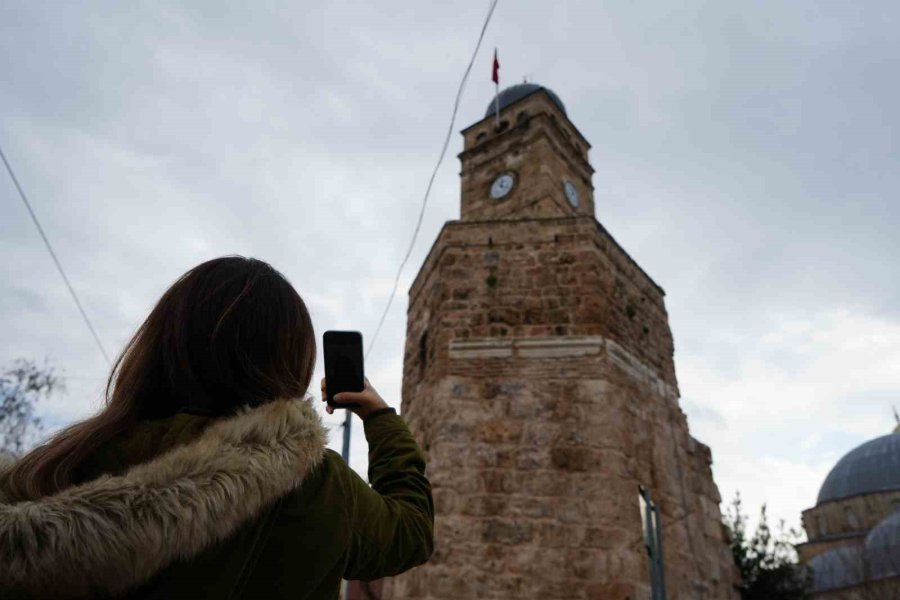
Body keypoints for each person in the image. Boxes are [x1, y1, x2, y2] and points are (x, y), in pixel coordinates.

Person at [0, 256, 434, 599]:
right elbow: (412, 532)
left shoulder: (66, 466)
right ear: (289, 362)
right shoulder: (320, 486)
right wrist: (379, 416)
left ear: (163, 342)